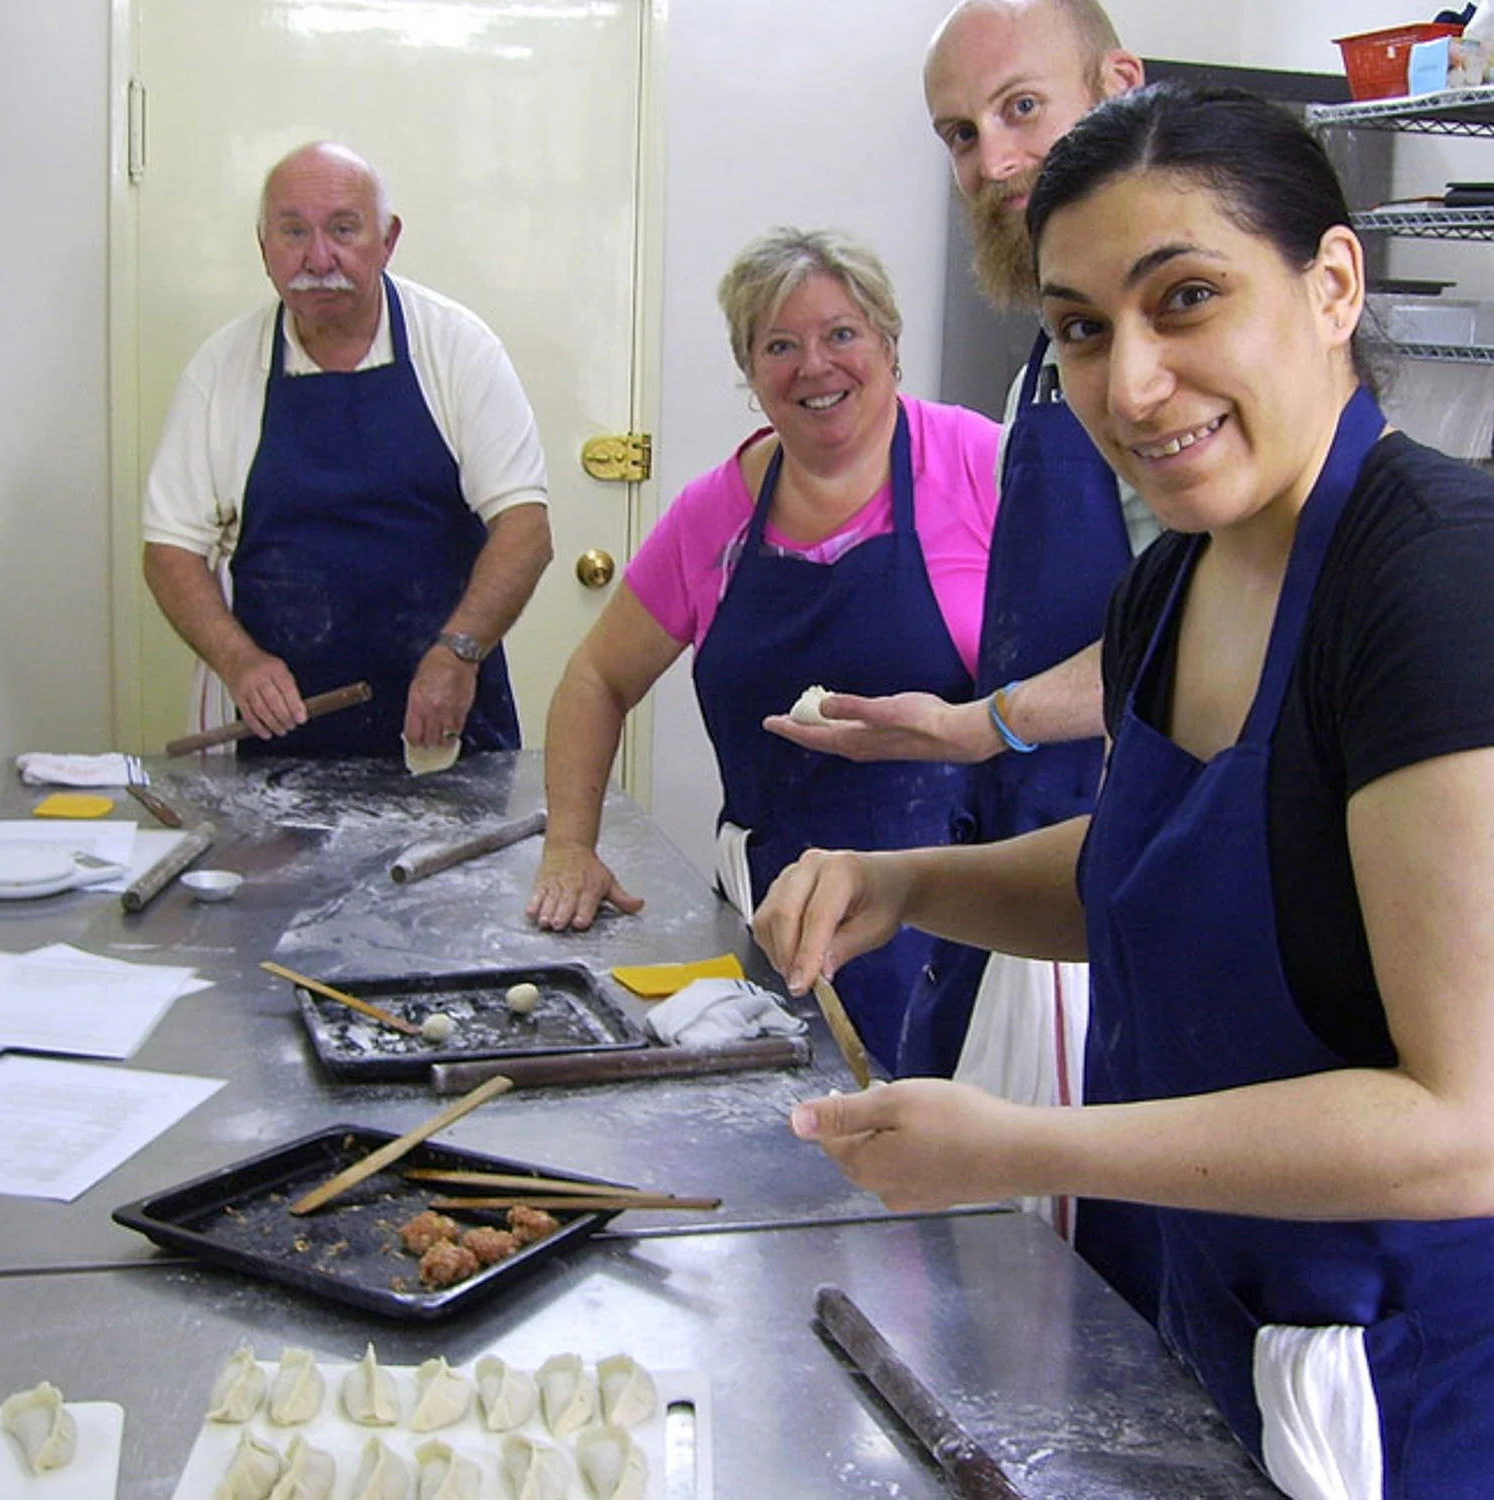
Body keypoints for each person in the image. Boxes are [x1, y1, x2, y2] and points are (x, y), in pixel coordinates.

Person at [756, 82, 1494, 1497]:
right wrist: (907, 887)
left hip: (1410, 1381)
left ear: (1333, 283)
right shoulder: (1180, 581)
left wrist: (1025, 1147)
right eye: (1083, 329)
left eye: (1188, 298)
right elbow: (1163, 871)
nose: (1131, 383)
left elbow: (1465, 1125)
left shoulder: (1432, 581)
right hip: (1217, 1308)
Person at [765, 0, 1149, 1089]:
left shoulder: (1150, 366)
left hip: (1116, 884)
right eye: (960, 134)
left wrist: (991, 724)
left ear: (1119, 85)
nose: (993, 160)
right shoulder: (1050, 351)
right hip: (1027, 868)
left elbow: (1206, 630)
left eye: (1023, 108)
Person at [527, 228, 1000, 1070]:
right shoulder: (716, 513)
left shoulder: (979, 465)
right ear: (750, 374)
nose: (814, 366)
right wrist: (570, 842)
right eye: (780, 345)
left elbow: (1100, 670)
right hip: (771, 922)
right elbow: (597, 675)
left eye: (842, 334)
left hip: (955, 921)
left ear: (890, 343)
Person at [143, 141, 552, 760]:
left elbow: (525, 529)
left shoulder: (460, 350)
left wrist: (460, 651)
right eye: (292, 232)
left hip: (444, 723)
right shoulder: (221, 370)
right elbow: (170, 550)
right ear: (263, 248)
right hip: (270, 734)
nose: (318, 257)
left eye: (342, 230)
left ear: (387, 240)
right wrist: (240, 662)